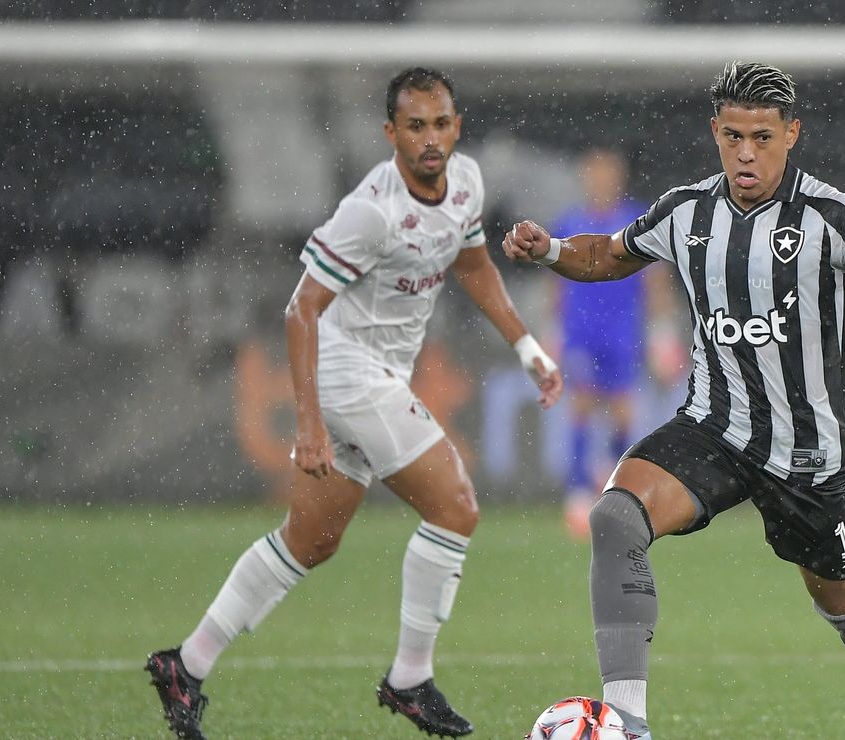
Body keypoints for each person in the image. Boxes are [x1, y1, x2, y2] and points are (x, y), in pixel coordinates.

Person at [504, 61, 845, 740]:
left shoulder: (835, 218)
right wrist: (552, 248)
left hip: (808, 456)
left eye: (762, 137)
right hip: (714, 429)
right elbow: (610, 255)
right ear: (715, 133)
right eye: (732, 137)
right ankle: (629, 723)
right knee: (616, 518)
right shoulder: (686, 210)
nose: (746, 153)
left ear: (792, 134)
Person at [147, 67, 562, 740]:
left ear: (457, 125)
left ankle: (185, 664)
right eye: (416, 126)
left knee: (310, 541)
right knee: (455, 505)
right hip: (346, 373)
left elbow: (474, 265)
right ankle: (410, 678)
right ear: (391, 133)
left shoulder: (467, 183)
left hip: (383, 377)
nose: (431, 138)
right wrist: (309, 425)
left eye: (441, 123)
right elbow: (300, 310)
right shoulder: (369, 211)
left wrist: (526, 348)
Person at [549, 148, 679, 540]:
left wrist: (661, 333)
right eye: (595, 173)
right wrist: (551, 330)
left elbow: (655, 279)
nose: (601, 180)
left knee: (623, 411)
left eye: (608, 174)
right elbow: (555, 280)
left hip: (624, 333)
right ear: (586, 178)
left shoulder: (635, 220)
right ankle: (576, 496)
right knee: (583, 405)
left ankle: (616, 491)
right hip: (581, 333)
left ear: (618, 178)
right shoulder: (570, 221)